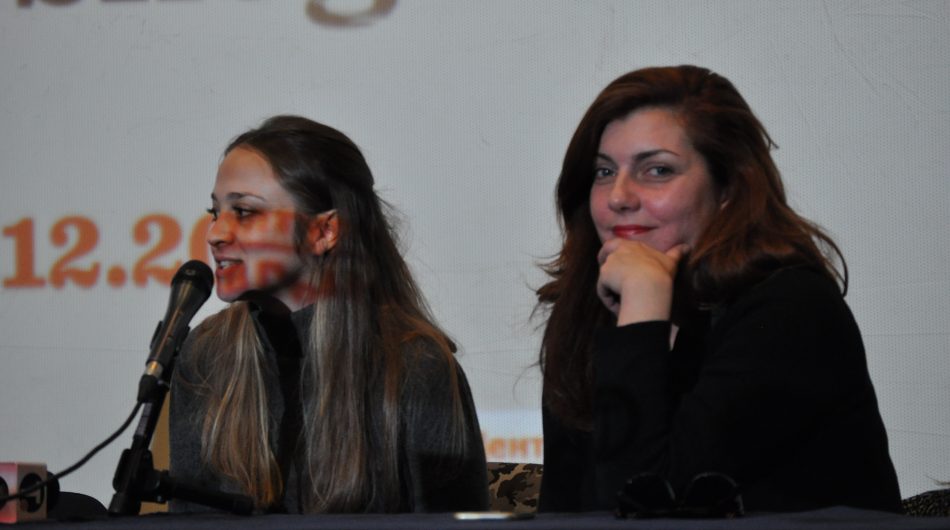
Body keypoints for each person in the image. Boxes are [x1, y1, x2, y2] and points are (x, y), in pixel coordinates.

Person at [535, 65, 902, 514]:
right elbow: (563, 514)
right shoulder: (588, 311)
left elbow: (648, 509)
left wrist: (643, 309)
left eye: (657, 170)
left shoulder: (790, 309)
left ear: (726, 187)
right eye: (604, 171)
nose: (619, 196)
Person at [169, 115, 488, 514]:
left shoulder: (415, 366)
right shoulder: (205, 353)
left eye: (245, 212)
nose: (215, 233)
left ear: (324, 231)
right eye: (215, 212)